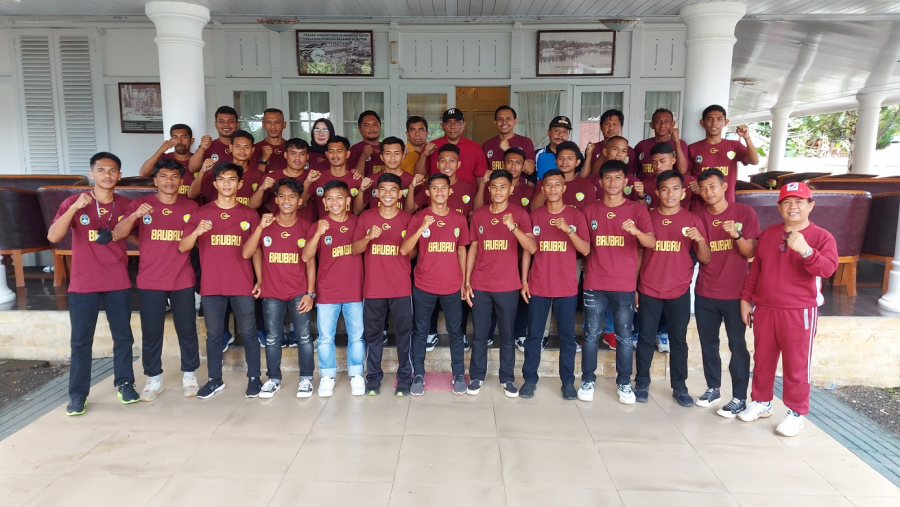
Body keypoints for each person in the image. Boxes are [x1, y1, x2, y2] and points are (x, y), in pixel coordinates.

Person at [738, 182, 838, 437]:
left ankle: (796, 413)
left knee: (796, 365)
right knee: (762, 360)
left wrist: (806, 251)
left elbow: (828, 269)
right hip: (766, 308)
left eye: (799, 202)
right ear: (779, 206)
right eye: (787, 202)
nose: (793, 207)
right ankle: (762, 402)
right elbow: (756, 270)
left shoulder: (822, 237)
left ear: (810, 206)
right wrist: (746, 299)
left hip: (799, 311)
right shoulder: (769, 234)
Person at [48, 152, 138, 415]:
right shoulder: (73, 202)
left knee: (123, 337)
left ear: (119, 175)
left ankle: (125, 384)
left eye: (112, 170)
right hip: (83, 283)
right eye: (101, 170)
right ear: (91, 174)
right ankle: (78, 395)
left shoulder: (126, 205)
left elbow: (136, 238)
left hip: (117, 280)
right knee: (80, 341)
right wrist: (74, 208)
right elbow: (53, 236)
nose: (107, 175)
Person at [112, 158, 201, 401]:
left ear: (181, 180)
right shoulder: (141, 205)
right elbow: (118, 234)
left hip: (182, 278)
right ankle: (154, 378)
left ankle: (190, 374)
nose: (169, 181)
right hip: (150, 279)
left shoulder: (191, 206)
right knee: (151, 332)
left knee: (187, 330)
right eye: (163, 176)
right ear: (155, 180)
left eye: (174, 176)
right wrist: (134, 217)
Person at [179, 162, 263, 399]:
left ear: (240, 184)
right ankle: (215, 380)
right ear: (215, 184)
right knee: (214, 335)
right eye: (222, 179)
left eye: (232, 179)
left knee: (249, 333)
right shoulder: (201, 213)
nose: (227, 184)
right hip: (212, 285)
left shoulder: (249, 214)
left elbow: (256, 249)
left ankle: (254, 378)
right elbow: (183, 246)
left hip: (242, 283)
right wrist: (197, 232)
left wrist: (260, 279)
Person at [580, 160, 655, 404]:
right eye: (608, 178)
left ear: (626, 182)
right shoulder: (590, 210)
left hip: (624, 284)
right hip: (594, 282)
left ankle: (624, 383)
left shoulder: (637, 210)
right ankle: (587, 380)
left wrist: (636, 232)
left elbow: (651, 242)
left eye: (618, 178)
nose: (613, 182)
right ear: (601, 182)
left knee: (624, 336)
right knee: (591, 334)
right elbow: (583, 246)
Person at [634, 170, 710, 407]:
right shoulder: (648, 217)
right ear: (657, 192)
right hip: (649, 288)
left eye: (675, 189)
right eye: (665, 189)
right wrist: (634, 286)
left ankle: (680, 386)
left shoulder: (692, 220)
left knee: (678, 341)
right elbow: (639, 254)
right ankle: (642, 383)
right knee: (645, 338)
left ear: (683, 192)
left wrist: (700, 240)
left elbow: (705, 259)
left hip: (679, 289)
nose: (670, 194)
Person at [464, 169, 536, 398]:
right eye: (494, 186)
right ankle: (477, 376)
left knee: (507, 334)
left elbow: (531, 247)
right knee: (479, 334)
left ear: (511, 189)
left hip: (507, 285)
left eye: (503, 187)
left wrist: (513, 227)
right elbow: (473, 247)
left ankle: (507, 378)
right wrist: (467, 281)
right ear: (489, 188)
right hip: (480, 284)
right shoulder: (479, 215)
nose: (498, 191)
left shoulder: (520, 214)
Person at [694, 168, 760, 416]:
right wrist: (701, 241)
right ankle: (713, 388)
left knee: (737, 345)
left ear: (724, 186)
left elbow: (750, 252)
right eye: (703, 188)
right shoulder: (698, 216)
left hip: (736, 294)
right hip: (705, 291)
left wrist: (737, 235)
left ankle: (739, 397)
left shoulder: (744, 212)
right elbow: (703, 258)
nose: (708, 192)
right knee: (708, 343)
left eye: (713, 186)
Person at [242, 178, 316, 398]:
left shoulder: (306, 226)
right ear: (275, 199)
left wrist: (310, 293)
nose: (286, 200)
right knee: (273, 338)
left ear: (300, 201)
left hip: (299, 292)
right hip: (272, 293)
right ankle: (273, 378)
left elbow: (310, 262)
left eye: (292, 197)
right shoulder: (265, 225)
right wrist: (259, 228)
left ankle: (306, 379)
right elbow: (248, 252)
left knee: (304, 337)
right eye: (282, 196)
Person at [519, 169, 590, 400]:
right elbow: (528, 249)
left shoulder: (576, 216)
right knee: (534, 336)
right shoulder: (535, 215)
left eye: (557, 184)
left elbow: (586, 249)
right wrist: (524, 280)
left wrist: (568, 231)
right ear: (543, 189)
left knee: (567, 339)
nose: (553, 189)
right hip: (538, 285)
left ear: (564, 188)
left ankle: (567, 382)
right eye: (548, 185)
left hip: (566, 287)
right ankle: (529, 380)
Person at [401, 173, 470, 396]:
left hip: (452, 286)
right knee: (420, 331)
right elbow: (405, 250)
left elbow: (462, 249)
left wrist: (464, 281)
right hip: (424, 285)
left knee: (456, 332)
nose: (439, 192)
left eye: (443, 188)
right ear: (428, 192)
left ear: (450, 191)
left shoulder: (459, 219)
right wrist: (421, 229)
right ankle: (418, 375)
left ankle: (458, 375)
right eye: (435, 188)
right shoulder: (419, 217)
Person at [301, 180, 366, 397]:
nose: (335, 202)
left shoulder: (357, 221)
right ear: (325, 203)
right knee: (326, 337)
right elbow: (306, 256)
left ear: (347, 200)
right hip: (327, 291)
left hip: (354, 289)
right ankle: (327, 376)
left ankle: (356, 375)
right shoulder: (319, 225)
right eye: (330, 198)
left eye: (339, 197)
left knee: (356, 336)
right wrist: (318, 233)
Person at [352, 173, 414, 396]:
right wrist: (368, 237)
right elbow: (355, 249)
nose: (388, 194)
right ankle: (373, 377)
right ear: (377, 193)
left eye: (393, 190)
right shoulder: (367, 217)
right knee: (373, 335)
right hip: (374, 288)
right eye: (384, 189)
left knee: (404, 334)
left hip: (401, 288)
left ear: (400, 194)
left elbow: (413, 252)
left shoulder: (407, 218)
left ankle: (405, 377)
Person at [688, 104, 759, 203]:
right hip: (700, 203)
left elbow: (754, 161)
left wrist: (747, 138)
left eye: (719, 119)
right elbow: (686, 174)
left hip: (726, 203)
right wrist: (693, 184)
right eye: (710, 119)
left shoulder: (734, 146)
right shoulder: (692, 148)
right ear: (702, 122)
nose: (714, 123)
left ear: (725, 122)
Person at [414, 108, 489, 186]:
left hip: (467, 193)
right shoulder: (431, 146)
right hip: (438, 192)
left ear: (464, 125)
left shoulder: (475, 148)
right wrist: (424, 155)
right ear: (442, 125)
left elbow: (481, 179)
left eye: (457, 122)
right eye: (448, 122)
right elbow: (418, 176)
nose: (452, 126)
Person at [189, 130, 264, 206]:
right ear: (231, 147)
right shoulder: (217, 171)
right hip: (217, 213)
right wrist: (202, 171)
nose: (242, 150)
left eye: (246, 147)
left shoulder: (258, 175)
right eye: (237, 146)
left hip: (246, 214)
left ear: (252, 150)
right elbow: (192, 194)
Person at [249, 138, 314, 220]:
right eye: (293, 153)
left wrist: (307, 182)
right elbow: (252, 205)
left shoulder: (313, 177)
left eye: (302, 154)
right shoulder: (271, 177)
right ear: (285, 155)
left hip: (306, 227)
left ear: (307, 157)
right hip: (277, 226)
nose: (297, 158)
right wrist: (261, 189)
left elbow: (299, 205)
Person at [353, 136, 418, 214]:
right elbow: (357, 211)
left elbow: (412, 210)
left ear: (403, 156)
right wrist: (361, 190)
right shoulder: (371, 180)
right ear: (382, 157)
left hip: (403, 222)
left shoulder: (413, 181)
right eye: (388, 153)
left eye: (397, 153)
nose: (392, 157)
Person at [305, 136, 363, 220]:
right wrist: (307, 182)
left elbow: (358, 211)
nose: (335, 155)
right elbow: (300, 203)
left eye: (339, 151)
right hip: (324, 227)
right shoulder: (317, 178)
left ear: (347, 154)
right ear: (327, 154)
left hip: (349, 227)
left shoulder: (357, 179)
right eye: (331, 151)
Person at [411, 144, 475, 216]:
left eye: (452, 161)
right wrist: (411, 187)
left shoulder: (469, 187)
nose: (447, 165)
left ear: (458, 164)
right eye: (443, 161)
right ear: (437, 164)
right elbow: (410, 209)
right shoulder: (429, 185)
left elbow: (473, 216)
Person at [530, 141, 596, 211]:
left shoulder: (587, 185)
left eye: (570, 158)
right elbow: (534, 209)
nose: (564, 162)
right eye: (561, 158)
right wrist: (548, 185)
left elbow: (591, 213)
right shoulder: (544, 182)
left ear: (577, 162)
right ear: (556, 161)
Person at [635, 142, 698, 210]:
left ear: (673, 160)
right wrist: (641, 196)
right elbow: (640, 211)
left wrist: (699, 192)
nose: (658, 166)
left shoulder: (689, 182)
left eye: (662, 161)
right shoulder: (644, 185)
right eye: (654, 162)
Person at [138, 124, 195, 192]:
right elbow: (143, 174)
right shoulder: (164, 158)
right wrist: (161, 150)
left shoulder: (198, 160)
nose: (179, 141)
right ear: (171, 140)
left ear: (192, 140)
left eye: (184, 137)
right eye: (175, 137)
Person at [482, 105, 536, 176]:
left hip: (518, 183)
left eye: (508, 118)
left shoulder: (525, 142)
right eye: (500, 119)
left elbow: (530, 170)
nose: (504, 122)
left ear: (515, 121)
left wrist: (508, 150)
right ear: (495, 122)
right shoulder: (487, 145)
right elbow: (483, 173)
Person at [634, 108, 688, 177]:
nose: (662, 125)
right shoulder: (642, 145)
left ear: (673, 124)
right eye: (658, 122)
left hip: (668, 183)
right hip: (646, 184)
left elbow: (682, 170)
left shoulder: (681, 144)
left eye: (666, 121)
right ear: (652, 125)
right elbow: (634, 171)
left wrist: (676, 141)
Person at [587, 109, 639, 175]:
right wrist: (606, 150)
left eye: (615, 124)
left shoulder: (629, 150)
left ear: (621, 127)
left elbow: (631, 175)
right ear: (601, 127)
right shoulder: (593, 148)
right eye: (607, 124)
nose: (611, 128)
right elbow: (592, 174)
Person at [188, 106, 238, 171]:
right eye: (221, 121)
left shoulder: (245, 146)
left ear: (237, 125)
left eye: (230, 121)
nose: (226, 124)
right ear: (215, 125)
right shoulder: (208, 146)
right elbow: (192, 168)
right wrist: (202, 148)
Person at [533, 116, 573, 181]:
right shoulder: (538, 154)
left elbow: (580, 178)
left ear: (568, 135)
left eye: (564, 132)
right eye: (557, 131)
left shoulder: (574, 154)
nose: (560, 135)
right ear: (549, 133)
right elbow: (531, 181)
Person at [349, 110, 385, 178]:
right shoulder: (355, 149)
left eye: (375, 124)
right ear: (359, 129)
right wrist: (363, 156)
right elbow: (355, 178)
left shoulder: (386, 147)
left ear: (380, 126)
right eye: (366, 125)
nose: (372, 128)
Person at [254, 108, 288, 174]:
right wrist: (263, 159)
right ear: (263, 124)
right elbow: (254, 177)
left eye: (277, 122)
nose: (273, 126)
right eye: (268, 122)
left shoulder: (291, 148)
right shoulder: (255, 149)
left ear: (284, 124)